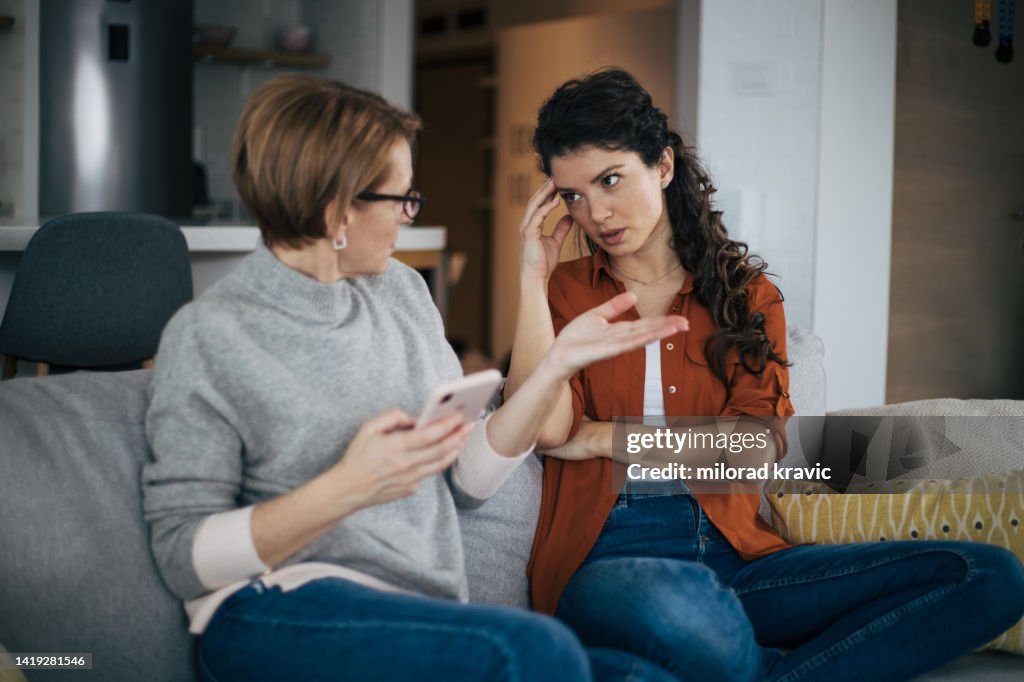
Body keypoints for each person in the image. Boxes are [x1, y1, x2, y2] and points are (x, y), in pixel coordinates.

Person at [141, 74, 691, 681]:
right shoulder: (212, 333)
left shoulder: (402, 293)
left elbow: (469, 483)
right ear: (337, 210)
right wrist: (349, 485)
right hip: (280, 606)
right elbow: (182, 555)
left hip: (415, 607)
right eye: (400, 198)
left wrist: (556, 366)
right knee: (539, 654)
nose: (409, 215)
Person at [506, 68, 1024, 682]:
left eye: (610, 179)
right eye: (572, 195)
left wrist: (601, 438)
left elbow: (752, 452)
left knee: (989, 576)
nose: (595, 212)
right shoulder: (565, 292)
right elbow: (543, 429)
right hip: (611, 567)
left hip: (735, 561)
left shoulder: (746, 296)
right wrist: (532, 279)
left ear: (663, 166)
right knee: (668, 606)